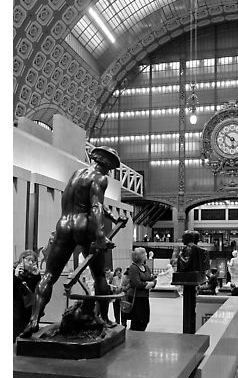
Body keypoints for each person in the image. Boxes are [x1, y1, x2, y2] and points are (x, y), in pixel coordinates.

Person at [20, 146, 128, 338]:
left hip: (64, 225)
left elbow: (90, 204)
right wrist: (100, 235)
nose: (108, 174)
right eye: (110, 169)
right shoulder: (100, 178)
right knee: (100, 276)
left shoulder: (77, 174)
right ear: (107, 166)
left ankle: (34, 320)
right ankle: (104, 318)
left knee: (49, 276)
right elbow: (95, 206)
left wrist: (112, 216)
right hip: (84, 227)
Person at [13, 250, 41, 341]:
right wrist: (16, 277)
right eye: (28, 260)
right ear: (22, 260)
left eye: (33, 261)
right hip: (16, 306)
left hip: (27, 307)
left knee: (25, 331)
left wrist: (37, 276)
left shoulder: (32, 273)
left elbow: (36, 291)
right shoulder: (14, 270)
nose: (30, 263)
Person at [128, 247, 157, 331]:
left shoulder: (146, 267)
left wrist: (152, 283)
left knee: (145, 320)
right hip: (136, 298)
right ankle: (134, 338)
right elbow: (137, 283)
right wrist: (149, 284)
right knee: (137, 321)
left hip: (144, 297)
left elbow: (152, 278)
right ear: (139, 256)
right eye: (144, 254)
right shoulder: (133, 268)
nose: (146, 255)